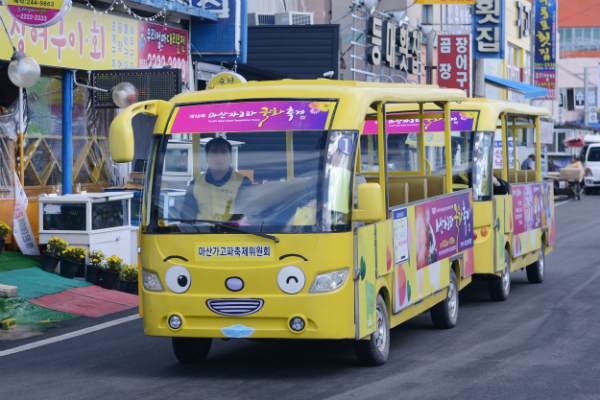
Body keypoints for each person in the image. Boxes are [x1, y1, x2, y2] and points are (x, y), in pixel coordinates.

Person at [182, 137, 252, 221]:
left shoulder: (243, 182)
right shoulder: (195, 184)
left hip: (232, 232)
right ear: (206, 158)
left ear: (230, 157)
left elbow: (246, 214)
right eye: (214, 153)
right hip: (201, 232)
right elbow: (186, 217)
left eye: (223, 152)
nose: (219, 157)